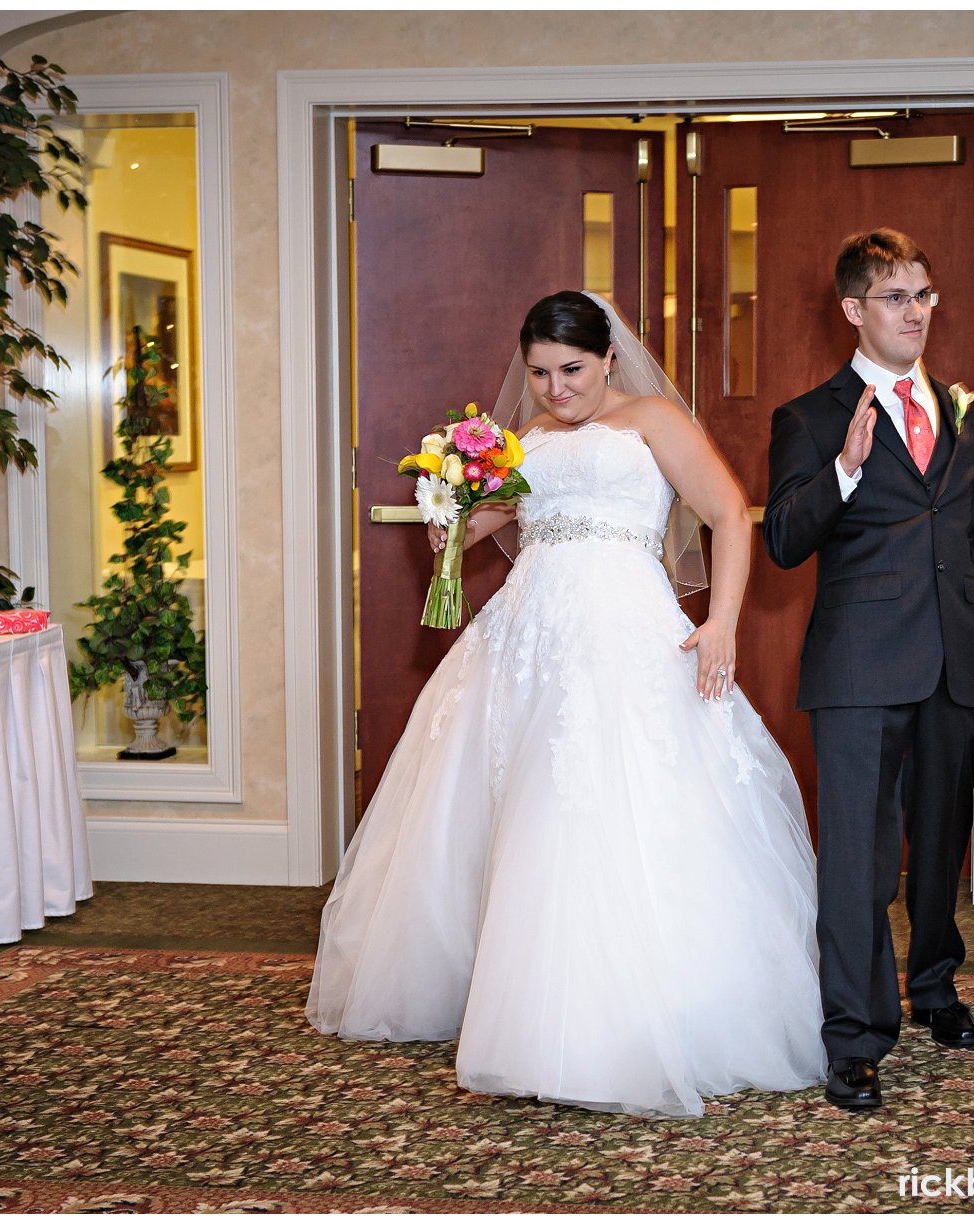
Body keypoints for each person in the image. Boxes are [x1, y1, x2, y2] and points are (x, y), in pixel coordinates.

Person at [307, 290, 824, 1118]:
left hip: (623, 631)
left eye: (572, 370)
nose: (555, 389)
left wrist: (722, 621)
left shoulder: (652, 419)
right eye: (540, 373)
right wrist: (453, 526)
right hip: (526, 631)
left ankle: (620, 1016)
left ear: (609, 357)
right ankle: (521, 1004)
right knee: (513, 808)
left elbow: (728, 512)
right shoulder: (529, 441)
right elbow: (499, 521)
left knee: (599, 803)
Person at [763, 229, 974, 1113]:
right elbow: (782, 541)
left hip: (956, 657)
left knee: (938, 841)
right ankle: (854, 1035)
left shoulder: (965, 413)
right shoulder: (808, 419)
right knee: (857, 860)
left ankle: (935, 988)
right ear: (854, 310)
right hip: (857, 668)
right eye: (895, 297)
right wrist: (843, 470)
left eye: (925, 294)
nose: (916, 311)